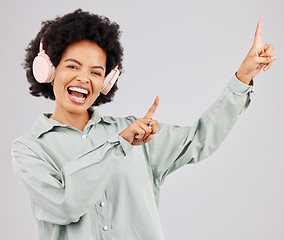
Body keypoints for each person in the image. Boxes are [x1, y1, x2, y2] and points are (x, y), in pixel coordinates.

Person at [12, 9, 276, 240]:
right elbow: (65, 205)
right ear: (48, 69)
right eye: (72, 66)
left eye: (96, 72)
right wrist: (120, 145)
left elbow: (199, 139)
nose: (84, 79)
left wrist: (242, 79)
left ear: (106, 82)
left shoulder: (137, 133)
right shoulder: (30, 149)